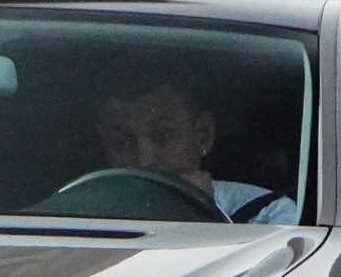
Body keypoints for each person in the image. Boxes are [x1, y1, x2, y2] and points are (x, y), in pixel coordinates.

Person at [93, 72, 297, 223]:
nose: (145, 159)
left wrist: (197, 210)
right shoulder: (82, 214)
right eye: (122, 141)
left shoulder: (267, 212)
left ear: (202, 135)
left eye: (163, 134)